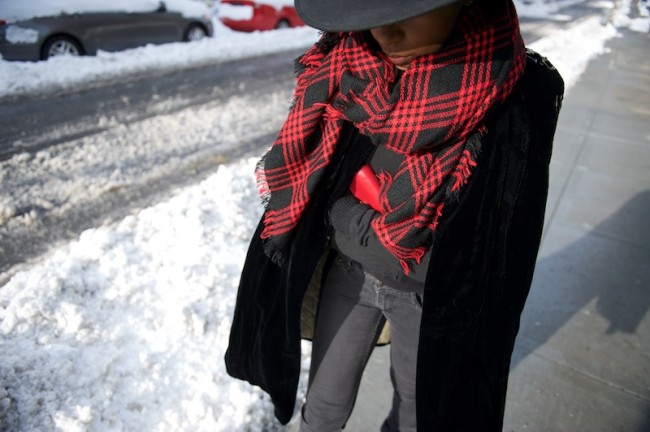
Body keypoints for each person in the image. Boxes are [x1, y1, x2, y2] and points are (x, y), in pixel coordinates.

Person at [225, 0, 564, 430]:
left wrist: (356, 221)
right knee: (324, 404)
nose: (385, 34)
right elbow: (325, 193)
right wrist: (357, 223)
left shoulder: (515, 93)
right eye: (368, 15)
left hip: (427, 300)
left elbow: (499, 246)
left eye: (405, 11)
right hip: (349, 276)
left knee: (417, 409)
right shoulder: (352, 69)